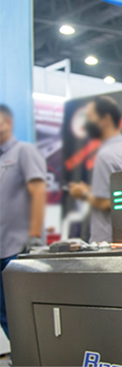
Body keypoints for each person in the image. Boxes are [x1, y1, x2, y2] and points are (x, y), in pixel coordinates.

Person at [0, 104, 47, 340]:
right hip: (1, 246)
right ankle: (21, 354)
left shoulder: (23, 152)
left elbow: (38, 191)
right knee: (4, 312)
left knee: (21, 310)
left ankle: (31, 355)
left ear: (7, 122)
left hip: (18, 248)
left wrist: (34, 234)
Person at [69, 96, 122, 243]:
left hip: (107, 241)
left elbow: (110, 203)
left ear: (106, 119)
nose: (87, 123)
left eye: (91, 117)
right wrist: (91, 190)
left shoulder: (105, 156)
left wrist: (83, 193)